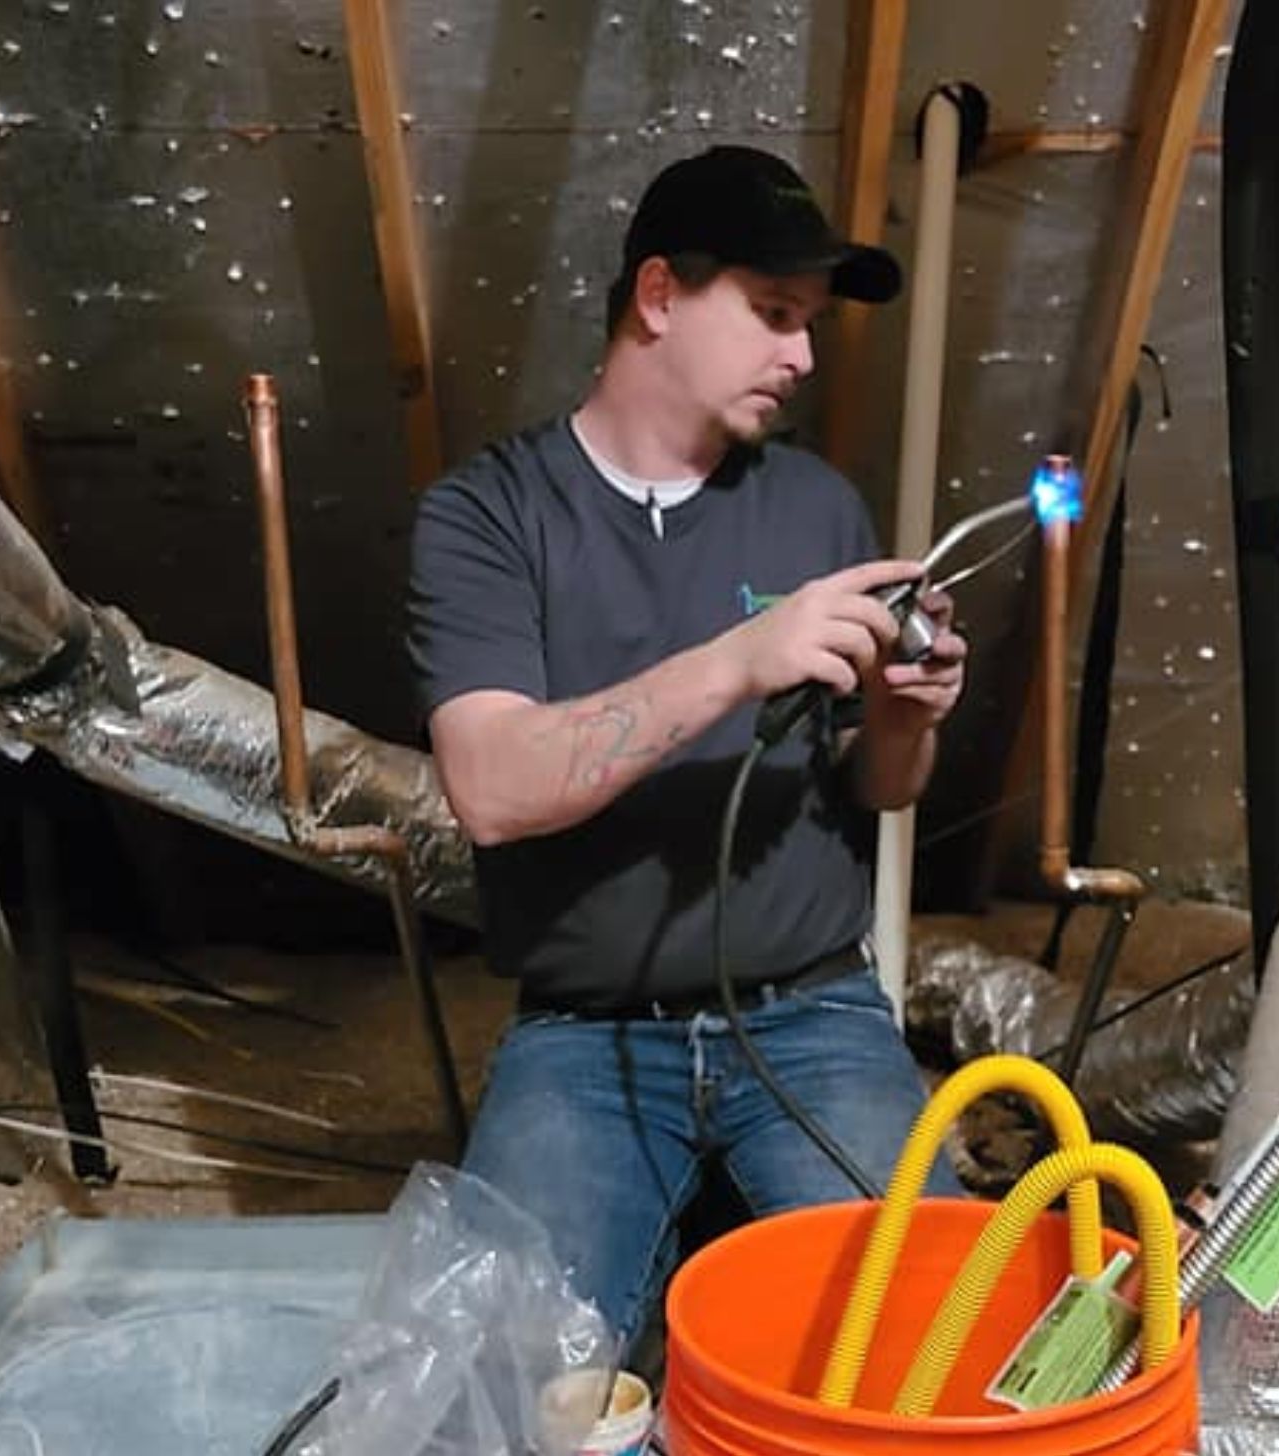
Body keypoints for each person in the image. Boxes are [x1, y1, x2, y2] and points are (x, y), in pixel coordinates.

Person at [404, 145, 966, 1353]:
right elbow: (493, 789)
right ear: (657, 296)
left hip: (812, 1015)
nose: (802, 356)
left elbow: (880, 787)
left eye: (808, 324)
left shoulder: (819, 509)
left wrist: (906, 719)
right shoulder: (488, 515)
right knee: (497, 1376)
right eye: (772, 314)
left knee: (932, 1341)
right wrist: (739, 657)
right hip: (585, 1031)